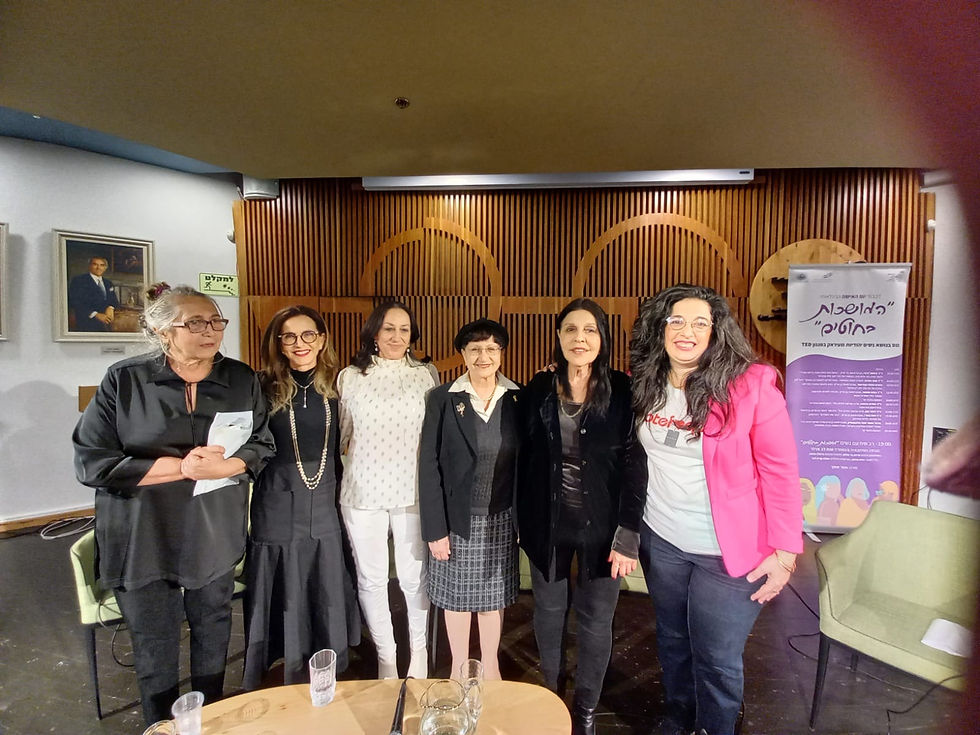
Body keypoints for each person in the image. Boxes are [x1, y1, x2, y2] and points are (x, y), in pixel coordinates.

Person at [72, 284, 274, 726]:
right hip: (144, 532)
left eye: (216, 321)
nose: (211, 331)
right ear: (162, 331)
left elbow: (262, 443)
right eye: (195, 322)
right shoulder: (124, 380)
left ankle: (212, 718)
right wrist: (183, 468)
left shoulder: (241, 379)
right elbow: (94, 462)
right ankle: (161, 725)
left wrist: (229, 466)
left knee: (213, 631)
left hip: (213, 528)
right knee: (155, 643)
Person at [629, 283, 802, 735]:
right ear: (660, 328)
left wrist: (785, 551)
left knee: (717, 655)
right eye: (677, 321)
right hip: (662, 540)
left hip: (727, 552)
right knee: (672, 639)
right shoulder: (647, 381)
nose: (687, 331)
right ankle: (679, 714)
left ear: (716, 331)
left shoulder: (750, 384)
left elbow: (780, 471)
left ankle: (715, 726)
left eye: (700, 322)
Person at [517, 298, 647, 735]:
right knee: (548, 613)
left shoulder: (624, 391)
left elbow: (634, 463)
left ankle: (586, 709)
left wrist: (629, 530)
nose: (580, 338)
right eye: (570, 329)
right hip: (547, 525)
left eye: (590, 330)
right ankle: (550, 695)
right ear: (558, 337)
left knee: (595, 620)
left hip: (603, 527)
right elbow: (523, 459)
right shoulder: (537, 389)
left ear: (603, 338)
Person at [242, 305, 360, 689]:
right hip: (276, 495)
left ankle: (327, 658)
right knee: (284, 575)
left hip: (326, 492)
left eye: (308, 334)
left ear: (322, 339)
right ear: (278, 343)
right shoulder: (260, 385)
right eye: (289, 336)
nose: (300, 343)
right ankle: (284, 659)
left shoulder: (341, 385)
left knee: (323, 574)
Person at [337, 300, 439, 679]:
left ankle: (418, 653)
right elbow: (343, 434)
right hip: (363, 492)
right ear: (374, 332)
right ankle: (386, 657)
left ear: (413, 335)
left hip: (413, 492)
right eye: (389, 328)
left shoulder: (426, 374)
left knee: (414, 578)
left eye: (405, 329)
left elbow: (434, 437)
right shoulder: (349, 376)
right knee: (372, 578)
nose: (397, 336)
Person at [419, 318, 521, 680]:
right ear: (462, 353)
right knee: (457, 600)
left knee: (492, 599)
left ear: (501, 354)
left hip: (501, 517)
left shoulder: (517, 398)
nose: (483, 356)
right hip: (455, 517)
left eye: (491, 348)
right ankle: (459, 667)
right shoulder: (443, 399)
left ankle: (490, 664)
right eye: (475, 348)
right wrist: (435, 529)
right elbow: (428, 466)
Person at [68, 255, 119, 331]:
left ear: (105, 268)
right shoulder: (79, 281)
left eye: (102, 265)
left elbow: (114, 300)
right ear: (89, 266)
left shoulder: (108, 283)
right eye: (95, 264)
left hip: (107, 321)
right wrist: (96, 314)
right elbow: (75, 302)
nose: (98, 268)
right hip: (87, 321)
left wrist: (110, 307)